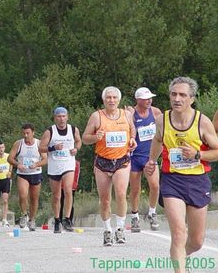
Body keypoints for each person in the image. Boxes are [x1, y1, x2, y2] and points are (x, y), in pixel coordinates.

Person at [144, 77, 218, 273]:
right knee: (178, 234)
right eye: (173, 94)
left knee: (196, 241)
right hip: (172, 180)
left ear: (191, 99)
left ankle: (181, 258)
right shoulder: (162, 120)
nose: (177, 99)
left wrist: (198, 154)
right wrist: (151, 161)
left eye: (182, 95)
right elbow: (157, 140)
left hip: (198, 181)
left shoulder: (202, 122)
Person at [82, 86, 137, 246]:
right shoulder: (96, 117)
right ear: (104, 100)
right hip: (102, 162)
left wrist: (132, 140)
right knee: (105, 199)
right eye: (108, 98)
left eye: (114, 98)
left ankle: (120, 229)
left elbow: (132, 131)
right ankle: (107, 230)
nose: (111, 100)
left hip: (122, 161)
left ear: (119, 100)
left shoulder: (126, 115)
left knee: (120, 194)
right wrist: (95, 137)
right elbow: (85, 138)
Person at [39, 107, 82, 233]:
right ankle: (57, 220)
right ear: (55, 118)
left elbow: (78, 141)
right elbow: (41, 148)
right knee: (56, 195)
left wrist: (76, 149)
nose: (61, 119)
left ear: (67, 117)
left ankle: (67, 219)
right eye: (59, 116)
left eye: (64, 116)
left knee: (68, 190)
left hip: (68, 163)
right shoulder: (49, 131)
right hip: (54, 165)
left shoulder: (73, 129)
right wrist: (53, 148)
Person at [128, 87, 162, 233]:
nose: (149, 101)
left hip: (150, 156)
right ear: (138, 100)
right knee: (135, 189)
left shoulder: (155, 112)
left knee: (155, 186)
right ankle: (135, 216)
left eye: (150, 98)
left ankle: (152, 212)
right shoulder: (131, 113)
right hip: (135, 156)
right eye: (145, 99)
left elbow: (163, 131)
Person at [8, 123, 47, 231]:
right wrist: (18, 164)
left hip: (35, 173)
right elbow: (10, 158)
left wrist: (37, 164)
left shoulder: (39, 144)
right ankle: (24, 214)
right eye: (24, 133)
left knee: (34, 198)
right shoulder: (18, 144)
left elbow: (45, 159)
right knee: (23, 195)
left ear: (33, 133)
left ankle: (32, 220)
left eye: (28, 133)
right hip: (23, 174)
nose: (26, 135)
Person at [59, 160, 80, 224]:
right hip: (64, 185)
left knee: (67, 202)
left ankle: (68, 220)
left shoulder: (76, 163)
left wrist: (74, 185)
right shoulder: (60, 161)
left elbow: (76, 175)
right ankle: (63, 220)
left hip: (69, 186)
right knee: (62, 202)